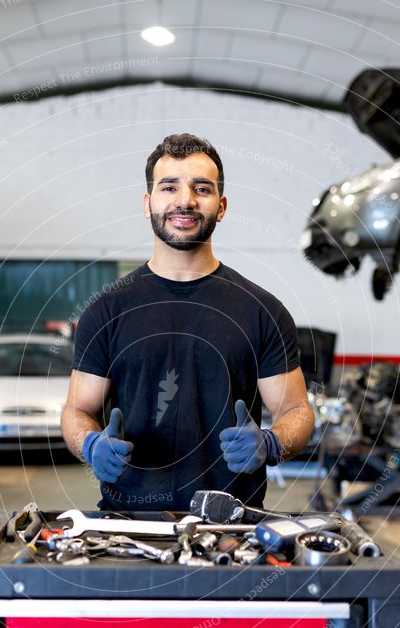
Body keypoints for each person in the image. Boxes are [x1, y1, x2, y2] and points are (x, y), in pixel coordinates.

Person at [61, 133, 314, 511]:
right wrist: (91, 443)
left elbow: (296, 411)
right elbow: (77, 410)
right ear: (148, 204)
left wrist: (272, 443)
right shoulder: (107, 311)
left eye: (202, 188)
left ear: (222, 206)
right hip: (128, 528)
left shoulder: (262, 311)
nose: (185, 200)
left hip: (232, 526)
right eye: (169, 187)